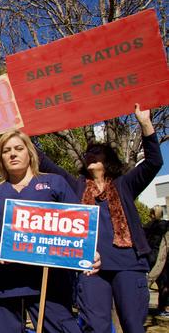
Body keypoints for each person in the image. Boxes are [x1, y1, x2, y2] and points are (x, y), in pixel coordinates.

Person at [38, 104, 163, 332]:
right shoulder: (76, 187)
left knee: (133, 326)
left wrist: (145, 122)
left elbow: (154, 162)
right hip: (90, 267)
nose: (90, 155)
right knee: (96, 326)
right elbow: (46, 164)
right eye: (87, 153)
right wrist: (27, 131)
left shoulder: (125, 184)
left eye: (96, 151)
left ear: (108, 159)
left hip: (129, 265)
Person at [0, 130, 97, 333]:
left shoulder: (54, 183)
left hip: (49, 283)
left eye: (18, 149)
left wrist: (91, 252)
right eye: (6, 150)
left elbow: (80, 226)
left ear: (29, 153)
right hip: (6, 284)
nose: (13, 154)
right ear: (1, 158)